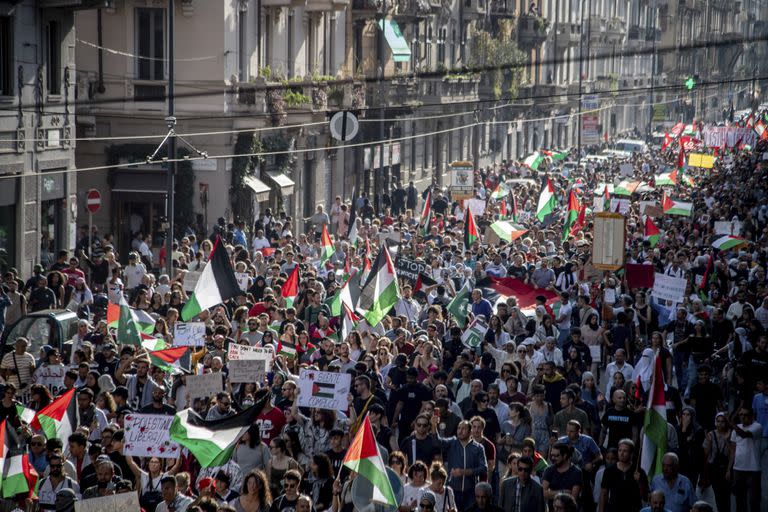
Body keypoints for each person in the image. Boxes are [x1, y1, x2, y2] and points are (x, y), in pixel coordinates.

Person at [728, 407, 763, 512]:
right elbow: (733, 450)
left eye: (745, 415)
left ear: (752, 416)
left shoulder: (757, 426)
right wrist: (729, 468)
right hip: (738, 468)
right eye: (741, 415)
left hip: (753, 469)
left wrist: (731, 423)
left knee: (754, 500)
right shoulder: (736, 428)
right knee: (739, 500)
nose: (743, 417)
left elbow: (744, 435)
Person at [598, 438, 648, 512]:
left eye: (625, 451)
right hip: (613, 509)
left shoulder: (639, 471)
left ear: (631, 453)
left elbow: (645, 497)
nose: (621, 453)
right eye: (620, 450)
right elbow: (603, 493)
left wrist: (639, 482)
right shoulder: (609, 470)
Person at [541, 443, 581, 508]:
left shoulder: (576, 472)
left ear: (564, 455)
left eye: (556, 456)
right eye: (552, 455)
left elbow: (573, 498)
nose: (553, 458)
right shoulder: (549, 470)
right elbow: (543, 493)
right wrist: (563, 492)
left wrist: (551, 493)